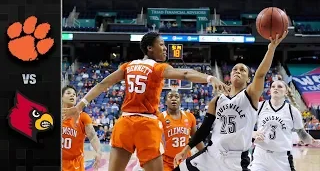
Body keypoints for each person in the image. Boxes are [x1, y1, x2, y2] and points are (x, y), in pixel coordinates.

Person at [62, 32, 229, 171]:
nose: (165, 48)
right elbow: (185, 74)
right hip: (146, 124)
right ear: (150, 48)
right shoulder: (158, 67)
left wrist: (81, 105)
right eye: (162, 45)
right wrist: (209, 77)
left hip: (124, 123)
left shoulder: (127, 66)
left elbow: (103, 84)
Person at [173, 31, 288, 171]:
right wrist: (186, 149)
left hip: (236, 160)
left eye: (242, 70)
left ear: (248, 79)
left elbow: (261, 74)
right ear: (230, 75)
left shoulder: (250, 95)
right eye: (235, 69)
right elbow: (204, 129)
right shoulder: (216, 100)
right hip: (212, 154)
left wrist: (271, 49)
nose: (237, 71)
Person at [250, 80, 320, 171]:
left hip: (282, 158)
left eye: (280, 86)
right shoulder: (259, 107)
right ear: (270, 90)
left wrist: (314, 142)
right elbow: (244, 126)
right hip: (260, 156)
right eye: (273, 86)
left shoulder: (293, 111)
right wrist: (253, 133)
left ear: (286, 92)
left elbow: (301, 134)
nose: (276, 88)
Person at [158, 90, 205, 171]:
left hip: (185, 160)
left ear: (180, 101)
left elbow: (196, 138)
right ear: (165, 102)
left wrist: (206, 153)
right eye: (170, 97)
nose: (173, 99)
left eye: (176, 97)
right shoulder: (160, 118)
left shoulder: (190, 116)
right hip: (166, 162)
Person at [62, 85, 102, 171]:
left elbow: (92, 136)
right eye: (68, 93)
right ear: (61, 97)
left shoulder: (83, 117)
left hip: (75, 163)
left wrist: (98, 151)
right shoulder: (54, 116)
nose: (72, 95)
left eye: (74, 94)